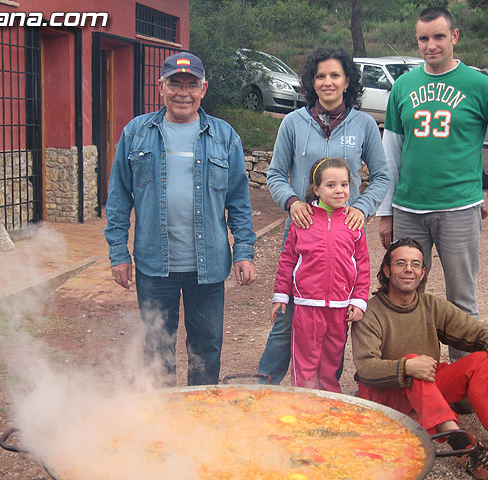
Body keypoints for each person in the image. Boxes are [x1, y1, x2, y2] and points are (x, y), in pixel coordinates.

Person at [376, 7, 488, 370]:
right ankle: (412, 375)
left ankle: (465, 380)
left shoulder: (479, 84)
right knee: (405, 295)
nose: (431, 45)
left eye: (438, 37)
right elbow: (390, 153)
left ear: (454, 37)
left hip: (459, 209)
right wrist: (385, 211)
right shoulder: (403, 86)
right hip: (409, 210)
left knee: (461, 299)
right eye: (423, 38)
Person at [351, 239, 488, 480]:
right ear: (387, 271)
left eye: (415, 264)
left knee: (482, 360)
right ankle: (464, 448)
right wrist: (408, 365)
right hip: (386, 396)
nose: (408, 269)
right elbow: (366, 367)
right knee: (417, 364)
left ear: (423, 273)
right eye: (401, 263)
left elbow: (486, 334)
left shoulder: (431, 305)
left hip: (426, 389)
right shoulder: (369, 311)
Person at [104, 52, 257, 386]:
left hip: (209, 267)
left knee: (207, 347)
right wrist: (118, 253)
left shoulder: (224, 136)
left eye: (192, 85)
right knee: (158, 348)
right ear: (161, 87)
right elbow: (117, 200)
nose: (183, 93)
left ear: (204, 89)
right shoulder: (136, 133)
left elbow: (239, 202)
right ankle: (162, 423)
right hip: (154, 267)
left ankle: (199, 419)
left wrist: (244, 251)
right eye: (175, 84)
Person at [259, 46, 390, 384]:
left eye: (335, 75)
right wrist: (292, 202)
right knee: (287, 316)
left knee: (335, 321)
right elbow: (275, 174)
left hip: (345, 231)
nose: (327, 82)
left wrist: (362, 207)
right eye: (320, 76)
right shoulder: (293, 123)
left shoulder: (363, 124)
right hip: (304, 226)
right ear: (311, 82)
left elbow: (382, 176)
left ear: (348, 80)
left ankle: (328, 391)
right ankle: (265, 387)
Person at [271, 157, 370, 392]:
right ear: (316, 189)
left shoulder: (353, 223)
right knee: (305, 359)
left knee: (331, 361)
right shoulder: (302, 220)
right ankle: (304, 407)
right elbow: (288, 261)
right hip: (307, 304)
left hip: (339, 306)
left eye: (344, 185)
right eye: (331, 185)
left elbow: (363, 265)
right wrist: (281, 296)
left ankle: (329, 407)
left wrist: (359, 300)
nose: (339, 190)